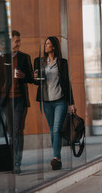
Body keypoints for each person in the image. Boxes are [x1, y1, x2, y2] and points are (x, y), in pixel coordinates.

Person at [0, 30, 34, 174]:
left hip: (19, 100)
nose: (19, 43)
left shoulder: (24, 57)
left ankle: (16, 163)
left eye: (19, 41)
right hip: (5, 101)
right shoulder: (2, 59)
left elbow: (32, 78)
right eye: (16, 41)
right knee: (9, 132)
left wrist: (24, 75)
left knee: (16, 131)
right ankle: (10, 161)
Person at [34, 36, 76, 171]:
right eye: (45, 43)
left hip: (60, 100)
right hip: (46, 101)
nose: (45, 46)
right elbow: (36, 81)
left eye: (48, 44)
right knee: (52, 130)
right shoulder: (39, 62)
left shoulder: (62, 63)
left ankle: (56, 158)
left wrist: (71, 103)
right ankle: (56, 157)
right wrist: (34, 78)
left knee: (57, 129)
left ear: (54, 47)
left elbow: (66, 82)